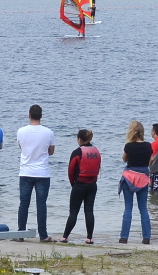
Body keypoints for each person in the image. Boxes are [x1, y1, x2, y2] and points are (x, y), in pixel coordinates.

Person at [16, 104, 55, 242]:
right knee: (41, 205)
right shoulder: (48, 132)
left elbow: (21, 147)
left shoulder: (21, 131)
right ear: (41, 116)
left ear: (29, 115)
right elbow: (51, 151)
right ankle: (43, 235)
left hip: (26, 171)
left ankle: (20, 233)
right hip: (42, 173)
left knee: (23, 203)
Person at [61, 129, 99, 244]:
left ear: (79, 139)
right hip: (92, 185)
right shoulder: (96, 151)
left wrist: (73, 184)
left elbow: (71, 171)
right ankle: (89, 238)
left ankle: (65, 237)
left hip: (79, 185)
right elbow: (98, 167)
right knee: (89, 211)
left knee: (73, 212)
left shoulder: (77, 152)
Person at [120, 121, 153, 244]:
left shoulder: (129, 146)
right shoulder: (148, 146)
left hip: (129, 177)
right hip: (143, 177)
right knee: (143, 208)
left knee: (128, 207)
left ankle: (124, 237)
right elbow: (149, 161)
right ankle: (146, 237)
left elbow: (124, 159)